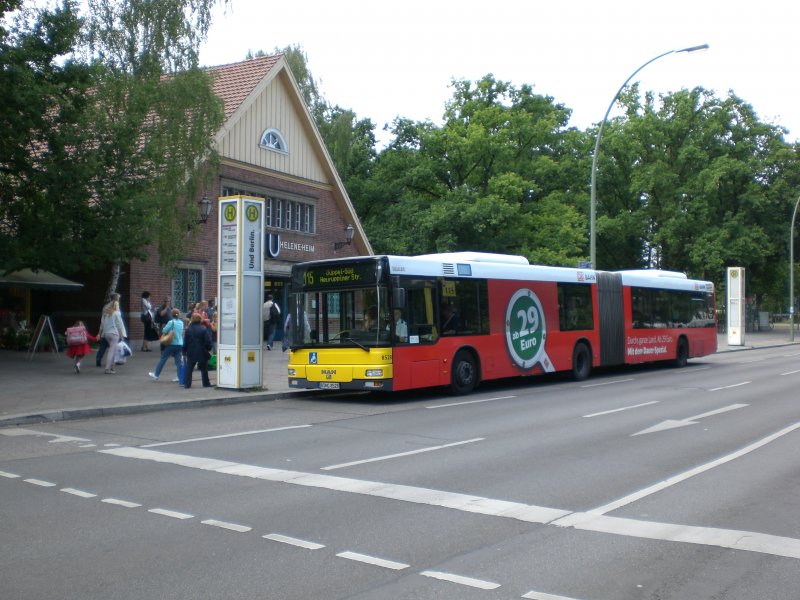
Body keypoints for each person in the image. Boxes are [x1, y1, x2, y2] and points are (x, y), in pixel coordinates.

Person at [149, 308, 184, 381]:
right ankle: (180, 377)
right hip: (179, 343)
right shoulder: (181, 322)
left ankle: (156, 374)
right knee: (179, 362)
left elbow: (164, 330)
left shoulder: (171, 322)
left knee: (163, 359)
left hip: (171, 343)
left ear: (172, 314)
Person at [98, 294, 127, 374]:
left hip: (106, 333)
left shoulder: (106, 313)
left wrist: (99, 333)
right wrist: (122, 336)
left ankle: (112, 367)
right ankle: (107, 368)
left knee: (113, 350)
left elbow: (102, 323)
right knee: (111, 351)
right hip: (114, 334)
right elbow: (119, 325)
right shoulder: (117, 313)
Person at [182, 313, 213, 388]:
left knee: (189, 368)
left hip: (191, 351)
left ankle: (187, 384)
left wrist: (184, 351)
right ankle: (206, 383)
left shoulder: (188, 330)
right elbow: (208, 341)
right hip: (202, 350)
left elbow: (185, 342)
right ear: (200, 320)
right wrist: (208, 348)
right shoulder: (203, 329)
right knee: (204, 368)